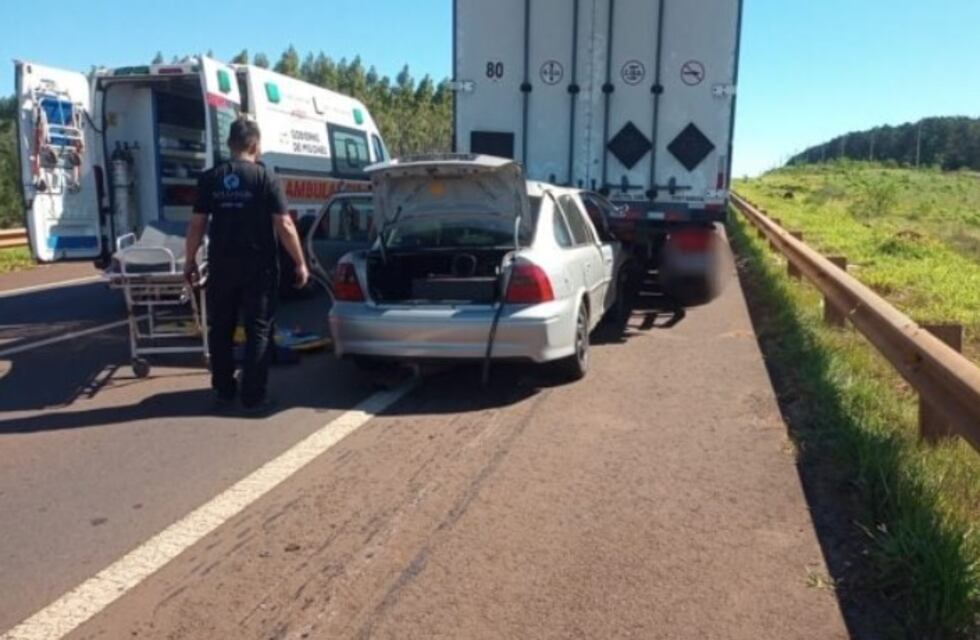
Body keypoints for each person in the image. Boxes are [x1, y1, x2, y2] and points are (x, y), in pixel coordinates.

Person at [184, 118, 309, 411]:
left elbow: (196, 226)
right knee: (258, 330)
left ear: (230, 145)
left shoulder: (210, 178)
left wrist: (189, 261)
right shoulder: (266, 179)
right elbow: (285, 225)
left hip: (221, 266)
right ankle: (253, 396)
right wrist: (300, 263)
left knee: (221, 329)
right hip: (259, 268)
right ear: (256, 145)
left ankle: (224, 391)